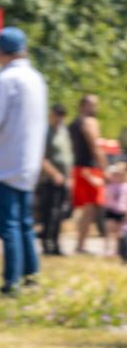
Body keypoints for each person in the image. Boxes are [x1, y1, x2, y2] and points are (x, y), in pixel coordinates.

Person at [0, 27, 47, 296]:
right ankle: (31, 275)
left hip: (3, 161)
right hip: (28, 161)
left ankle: (11, 282)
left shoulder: (5, 80)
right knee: (24, 222)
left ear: (0, 52)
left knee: (8, 225)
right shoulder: (36, 79)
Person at [69, 94, 106, 254]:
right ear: (84, 105)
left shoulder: (73, 124)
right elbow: (95, 147)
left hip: (78, 168)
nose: (95, 108)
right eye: (93, 104)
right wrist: (105, 168)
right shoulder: (90, 122)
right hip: (90, 169)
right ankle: (81, 245)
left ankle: (80, 243)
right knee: (90, 209)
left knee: (86, 209)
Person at [37, 101, 72, 257]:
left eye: (62, 116)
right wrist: (54, 174)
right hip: (50, 180)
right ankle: (47, 244)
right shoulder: (46, 133)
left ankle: (56, 244)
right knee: (49, 214)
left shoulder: (63, 132)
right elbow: (41, 157)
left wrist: (69, 177)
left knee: (59, 214)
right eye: (57, 115)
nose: (59, 118)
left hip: (64, 180)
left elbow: (68, 155)